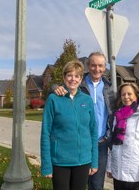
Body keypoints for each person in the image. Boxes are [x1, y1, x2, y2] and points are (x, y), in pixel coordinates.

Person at [53, 52, 116, 190]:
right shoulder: (78, 83)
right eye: (93, 65)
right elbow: (59, 91)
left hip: (100, 143)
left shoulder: (110, 89)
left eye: (100, 66)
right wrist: (54, 88)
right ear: (88, 66)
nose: (97, 69)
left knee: (97, 185)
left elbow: (115, 112)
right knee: (75, 184)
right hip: (79, 143)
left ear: (105, 67)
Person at [40, 60, 98, 190]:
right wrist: (46, 165)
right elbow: (45, 133)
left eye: (77, 76)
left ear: (81, 78)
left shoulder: (87, 100)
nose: (73, 79)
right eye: (69, 75)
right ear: (64, 77)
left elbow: (93, 131)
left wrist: (94, 161)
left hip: (83, 161)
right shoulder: (53, 99)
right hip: (60, 161)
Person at [106, 82, 139, 190]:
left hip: (137, 176)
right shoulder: (118, 116)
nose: (126, 97)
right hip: (118, 175)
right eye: (123, 94)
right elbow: (113, 145)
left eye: (129, 94)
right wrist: (110, 167)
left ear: (136, 95)